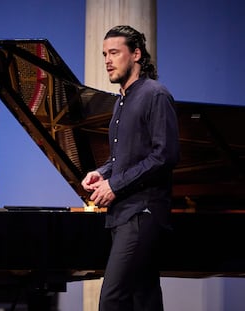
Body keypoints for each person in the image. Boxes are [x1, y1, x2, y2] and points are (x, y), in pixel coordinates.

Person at [81, 25, 180, 311]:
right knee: (144, 299)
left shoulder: (155, 95)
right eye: (104, 54)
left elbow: (165, 155)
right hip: (123, 214)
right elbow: (123, 158)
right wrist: (102, 172)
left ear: (136, 54)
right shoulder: (121, 101)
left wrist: (114, 185)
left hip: (143, 212)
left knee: (112, 300)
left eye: (114, 52)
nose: (107, 60)